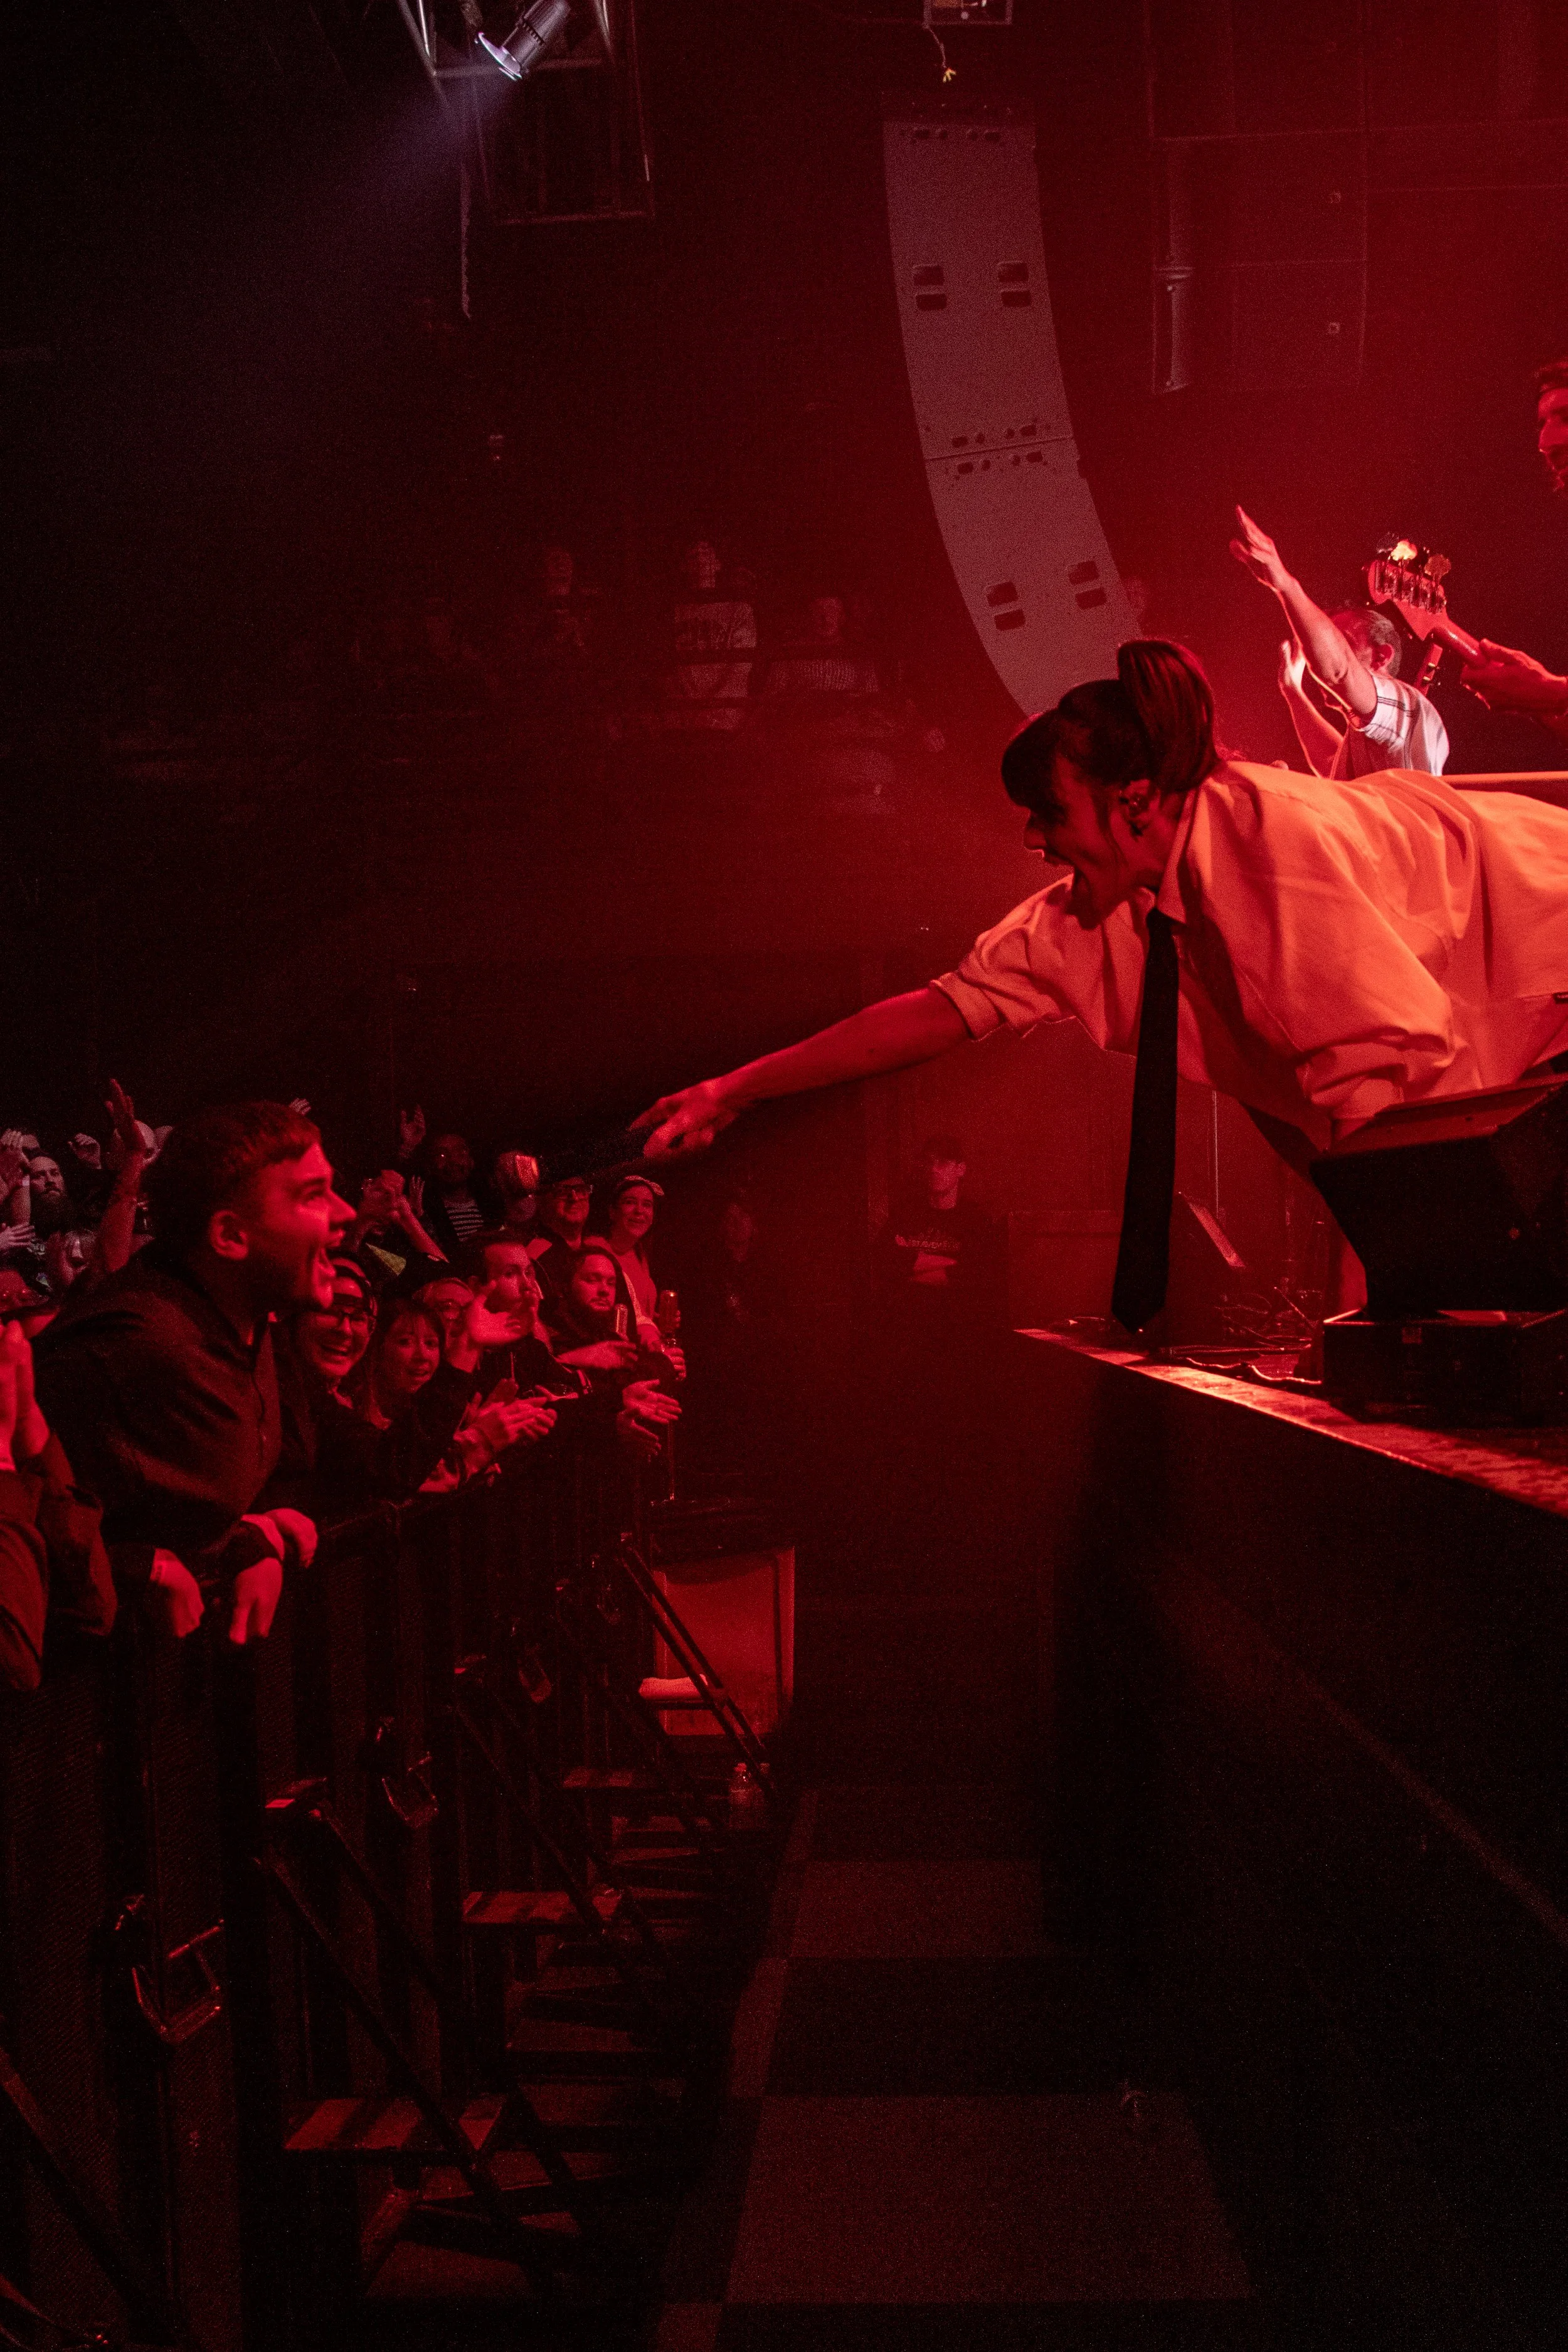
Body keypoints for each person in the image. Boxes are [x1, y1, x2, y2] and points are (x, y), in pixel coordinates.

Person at [634, 638, 1568, 1328]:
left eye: (1048, 813)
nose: (1033, 838)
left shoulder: (1265, 844)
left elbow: (1391, 1110)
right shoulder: (1105, 904)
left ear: (1135, 801)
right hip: (1493, 1070)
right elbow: (940, 1009)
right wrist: (733, 1088)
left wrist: (1382, 1341)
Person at [33, 1102, 352, 1641]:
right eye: (313, 1196)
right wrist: (131, 1566)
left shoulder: (244, 1318)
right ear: (230, 1236)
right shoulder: (133, 1346)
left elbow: (170, 1491)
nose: (344, 1214)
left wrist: (241, 1539)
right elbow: (22, 1503)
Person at [1229, 507, 1449, 778]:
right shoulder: (1373, 734)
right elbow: (1329, 760)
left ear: (1381, 656)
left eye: (1342, 642)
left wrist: (1285, 584)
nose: (1323, 652)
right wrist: (1293, 692)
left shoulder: (1408, 705)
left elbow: (1340, 671)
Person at [873, 1134, 1004, 1325]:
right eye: (929, 1162)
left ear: (961, 1169)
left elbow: (973, 1275)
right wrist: (951, 1263)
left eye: (943, 1163)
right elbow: (884, 1261)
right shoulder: (906, 1215)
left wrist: (910, 1265)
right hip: (906, 1323)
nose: (934, 1169)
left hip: (956, 1325)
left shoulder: (975, 1221)